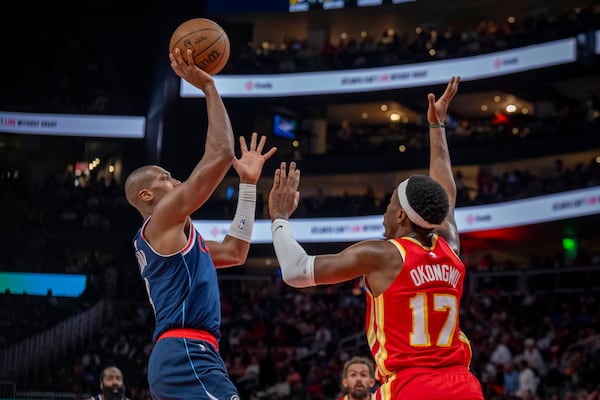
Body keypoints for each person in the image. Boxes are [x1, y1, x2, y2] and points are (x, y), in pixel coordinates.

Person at [268, 76, 484, 399]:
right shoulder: (449, 247)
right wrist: (437, 128)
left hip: (413, 386)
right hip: (464, 386)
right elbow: (446, 192)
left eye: (389, 205)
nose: (384, 213)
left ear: (400, 216)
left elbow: (296, 270)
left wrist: (279, 218)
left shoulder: (383, 255)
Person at [124, 47, 276, 400]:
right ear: (147, 196)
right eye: (166, 178)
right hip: (186, 352)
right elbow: (221, 155)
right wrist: (208, 88)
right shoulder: (160, 218)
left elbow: (236, 252)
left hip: (191, 353)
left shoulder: (176, 240)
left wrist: (249, 187)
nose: (176, 181)